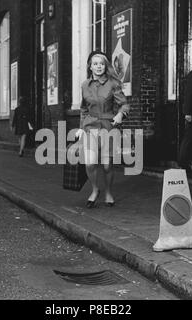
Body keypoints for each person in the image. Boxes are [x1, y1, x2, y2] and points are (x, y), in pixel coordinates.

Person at [76, 51, 130, 208]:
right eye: (95, 64)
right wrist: (81, 127)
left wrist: (120, 114)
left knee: (107, 165)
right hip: (90, 126)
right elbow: (83, 109)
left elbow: (124, 104)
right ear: (90, 67)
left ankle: (108, 192)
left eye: (101, 64)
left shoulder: (113, 83)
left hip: (107, 126)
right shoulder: (85, 85)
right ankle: (94, 190)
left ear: (105, 66)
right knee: (90, 164)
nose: (98, 66)